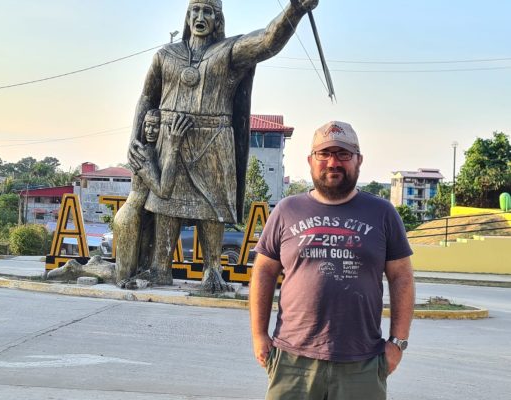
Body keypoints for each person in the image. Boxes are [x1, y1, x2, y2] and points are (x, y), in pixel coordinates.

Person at [125, 0, 320, 292]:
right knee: (165, 204)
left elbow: (268, 41)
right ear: (187, 16)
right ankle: (159, 268)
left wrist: (296, 9)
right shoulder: (165, 55)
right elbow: (146, 97)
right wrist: (135, 137)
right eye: (195, 10)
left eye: (208, 11)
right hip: (170, 138)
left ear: (218, 19)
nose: (200, 16)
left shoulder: (229, 52)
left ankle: (212, 270)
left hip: (214, 143)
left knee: (212, 208)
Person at [249, 121, 415, 399]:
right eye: (324, 154)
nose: (333, 162)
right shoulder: (287, 210)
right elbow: (264, 271)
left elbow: (402, 277)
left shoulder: (383, 213)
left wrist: (397, 342)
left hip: (362, 363)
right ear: (310, 160)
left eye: (343, 154)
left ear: (359, 160)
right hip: (292, 361)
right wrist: (258, 335)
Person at [113, 110, 192, 288]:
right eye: (147, 125)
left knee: (138, 272)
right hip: (130, 219)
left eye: (155, 126)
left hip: (146, 220)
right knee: (123, 278)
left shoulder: (157, 152)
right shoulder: (143, 153)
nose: (149, 130)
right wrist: (174, 146)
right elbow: (163, 191)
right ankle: (76, 269)